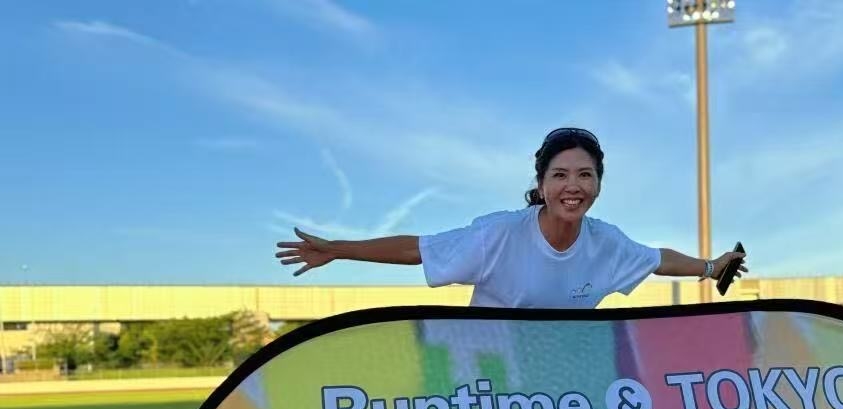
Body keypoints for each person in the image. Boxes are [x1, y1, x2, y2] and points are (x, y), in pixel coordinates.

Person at [275, 127, 747, 308]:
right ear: (541, 185)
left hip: (558, 389)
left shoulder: (607, 242)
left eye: (585, 175)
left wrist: (711, 267)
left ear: (598, 185)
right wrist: (338, 249)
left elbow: (657, 259)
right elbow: (418, 249)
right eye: (560, 175)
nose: (573, 186)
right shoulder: (500, 234)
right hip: (490, 386)